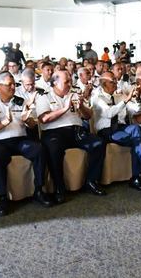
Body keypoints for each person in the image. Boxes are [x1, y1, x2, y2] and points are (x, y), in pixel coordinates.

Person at [0, 72, 53, 216]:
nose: (13, 87)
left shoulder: (21, 101)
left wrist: (28, 121)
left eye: (14, 84)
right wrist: (4, 122)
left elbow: (33, 125)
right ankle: (3, 197)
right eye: (9, 84)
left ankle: (39, 190)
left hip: (19, 140)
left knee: (39, 149)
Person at [36, 71, 107, 203]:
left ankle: (91, 181)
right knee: (53, 149)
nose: (70, 84)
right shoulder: (44, 97)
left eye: (70, 81)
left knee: (98, 143)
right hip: (54, 133)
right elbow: (44, 119)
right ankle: (59, 188)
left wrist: (81, 106)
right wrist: (65, 108)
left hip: (76, 131)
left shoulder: (74, 94)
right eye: (66, 82)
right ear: (55, 83)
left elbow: (88, 116)